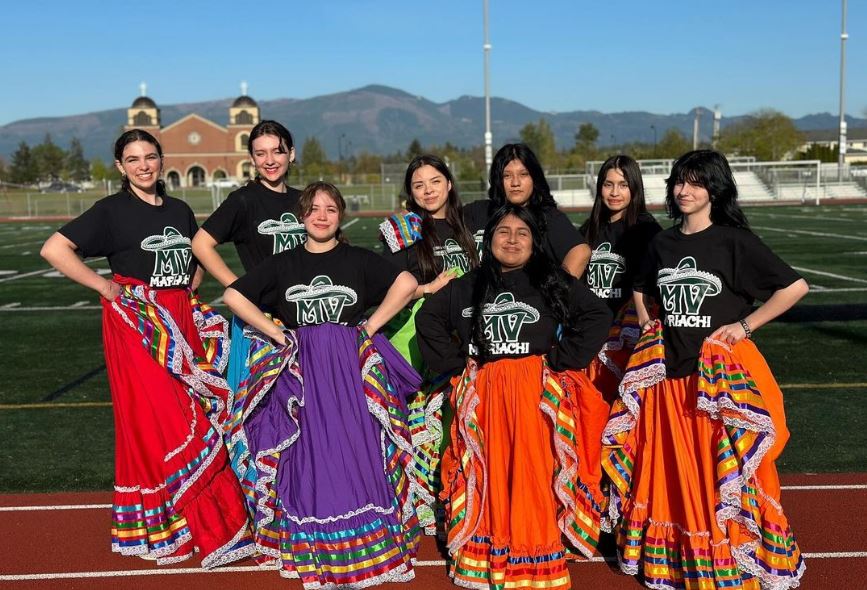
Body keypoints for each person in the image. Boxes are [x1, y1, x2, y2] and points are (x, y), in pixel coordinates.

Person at [40, 129, 252, 568]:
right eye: (133, 159)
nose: (143, 166)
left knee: (197, 415)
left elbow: (192, 267)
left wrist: (187, 289)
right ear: (120, 167)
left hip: (181, 319)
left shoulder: (178, 209)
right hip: (140, 327)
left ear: (161, 160)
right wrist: (104, 286)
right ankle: (193, 528)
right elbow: (54, 248)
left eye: (150, 157)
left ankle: (189, 526)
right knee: (167, 422)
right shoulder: (111, 212)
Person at [603, 150, 808, 588]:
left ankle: (734, 555)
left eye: (695, 182)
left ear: (714, 188)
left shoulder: (734, 241)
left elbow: (795, 286)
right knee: (680, 472)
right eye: (679, 182)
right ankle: (683, 559)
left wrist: (744, 325)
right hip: (669, 377)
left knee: (727, 469)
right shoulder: (663, 243)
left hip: (721, 379)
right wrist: (646, 323)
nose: (684, 190)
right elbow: (640, 287)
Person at [223, 181, 423, 587]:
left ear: (340, 215)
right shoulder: (283, 264)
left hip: (349, 365)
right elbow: (234, 296)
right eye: (314, 209)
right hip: (304, 369)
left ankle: (369, 542)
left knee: (356, 444)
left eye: (330, 209)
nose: (321, 216)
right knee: (310, 449)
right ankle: (316, 539)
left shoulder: (358, 260)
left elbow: (405, 283)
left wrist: (371, 325)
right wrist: (276, 333)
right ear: (302, 217)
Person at [416, 204, 611, 589]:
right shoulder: (469, 284)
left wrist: (561, 358)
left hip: (533, 392)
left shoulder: (550, 281)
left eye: (522, 233)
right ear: (489, 240)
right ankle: (486, 552)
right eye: (503, 232)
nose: (512, 240)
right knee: (487, 471)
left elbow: (596, 316)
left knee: (533, 474)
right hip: (485, 394)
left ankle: (534, 555)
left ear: (534, 242)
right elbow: (429, 319)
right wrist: (456, 365)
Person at [378, 154, 479, 532]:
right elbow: (385, 285)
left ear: (449, 183)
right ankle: (420, 504)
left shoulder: (468, 224)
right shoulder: (404, 229)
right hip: (415, 337)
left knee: (459, 420)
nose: (428, 190)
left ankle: (459, 496)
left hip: (463, 334)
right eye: (419, 185)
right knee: (418, 424)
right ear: (410, 192)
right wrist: (427, 288)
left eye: (435, 181)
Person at [192, 120, 304, 397]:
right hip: (262, 317)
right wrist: (238, 286)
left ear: (291, 154)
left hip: (305, 313)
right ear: (252, 159)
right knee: (263, 407)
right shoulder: (244, 200)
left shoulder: (305, 199)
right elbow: (201, 243)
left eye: (277, 151)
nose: (270, 160)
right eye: (260, 153)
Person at [579, 155, 662, 398]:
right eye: (608, 184)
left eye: (623, 185)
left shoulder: (648, 230)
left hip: (630, 338)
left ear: (635, 188)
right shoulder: (589, 229)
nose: (615, 192)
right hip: (594, 335)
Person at [463, 142, 591, 277]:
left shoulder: (548, 217)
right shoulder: (479, 211)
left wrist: (557, 292)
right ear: (497, 180)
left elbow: (580, 252)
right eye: (507, 176)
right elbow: (446, 218)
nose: (515, 183)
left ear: (534, 178)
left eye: (523, 174)